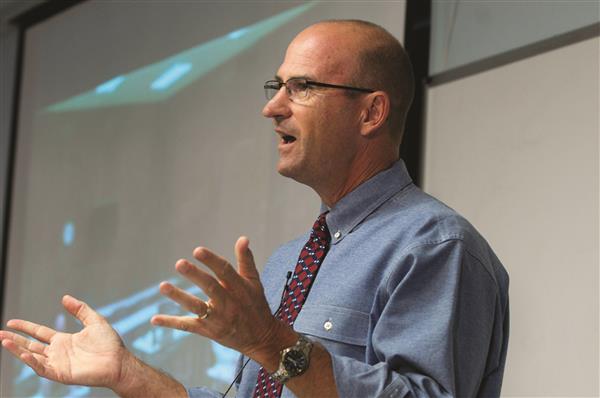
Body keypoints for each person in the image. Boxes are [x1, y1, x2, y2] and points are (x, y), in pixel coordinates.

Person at [0, 20, 509, 398]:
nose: (273, 107)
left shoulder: (437, 247)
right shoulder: (289, 260)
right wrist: (128, 374)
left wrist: (270, 341)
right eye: (278, 86)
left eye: (303, 87)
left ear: (371, 112)